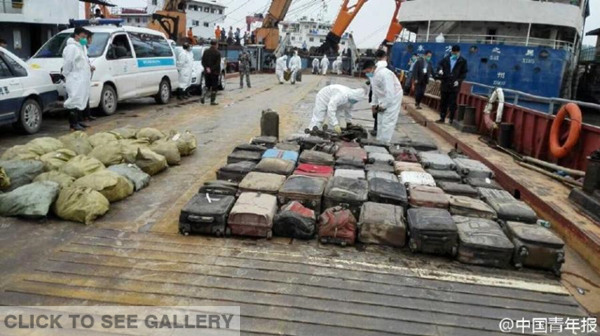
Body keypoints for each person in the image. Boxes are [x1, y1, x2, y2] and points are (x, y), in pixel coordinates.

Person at [364, 49, 403, 143]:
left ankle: (385, 142)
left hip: (394, 97)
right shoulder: (373, 75)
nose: (366, 73)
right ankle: (379, 140)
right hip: (383, 97)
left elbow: (390, 92)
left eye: (367, 71)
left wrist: (383, 106)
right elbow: (375, 91)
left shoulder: (385, 74)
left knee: (387, 121)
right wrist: (374, 105)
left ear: (372, 68)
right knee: (380, 119)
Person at [62, 27, 94, 131]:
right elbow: (68, 64)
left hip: (81, 78)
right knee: (74, 100)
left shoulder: (80, 47)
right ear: (76, 36)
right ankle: (73, 124)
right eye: (83, 37)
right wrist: (67, 75)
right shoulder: (72, 48)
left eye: (85, 37)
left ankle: (79, 121)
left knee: (81, 99)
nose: (84, 39)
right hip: (75, 78)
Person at [436, 45, 468, 123]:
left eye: (456, 53)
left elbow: (464, 73)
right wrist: (440, 70)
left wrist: (459, 80)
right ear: (451, 52)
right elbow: (439, 65)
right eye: (453, 52)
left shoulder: (462, 61)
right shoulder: (446, 59)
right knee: (443, 102)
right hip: (445, 84)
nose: (455, 54)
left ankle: (451, 119)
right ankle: (442, 118)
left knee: (452, 103)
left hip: (454, 85)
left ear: (459, 52)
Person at [201, 39, 221, 105]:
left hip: (207, 72)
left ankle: (203, 95)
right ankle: (212, 101)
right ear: (216, 44)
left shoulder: (206, 51)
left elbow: (203, 61)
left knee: (207, 85)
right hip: (215, 73)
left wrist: (207, 68)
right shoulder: (217, 53)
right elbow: (217, 64)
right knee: (214, 87)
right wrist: (211, 69)